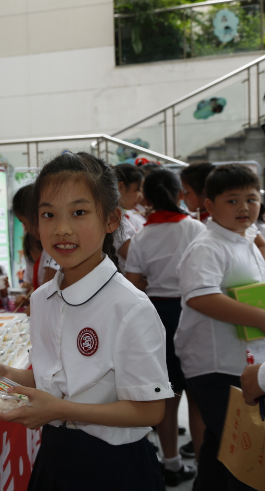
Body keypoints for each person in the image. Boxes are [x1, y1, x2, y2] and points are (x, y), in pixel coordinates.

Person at [0, 152, 171, 490]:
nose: (62, 229)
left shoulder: (129, 306)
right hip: (56, 454)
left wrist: (58, 409)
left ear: (110, 219)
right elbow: (59, 375)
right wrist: (11, 376)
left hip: (115, 464)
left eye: (79, 212)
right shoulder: (42, 299)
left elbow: (149, 411)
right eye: (49, 214)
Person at [175, 164, 265, 491]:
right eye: (233, 200)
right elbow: (203, 298)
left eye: (251, 199)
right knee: (245, 449)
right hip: (215, 366)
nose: (244, 208)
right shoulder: (208, 245)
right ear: (209, 206)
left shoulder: (247, 240)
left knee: (221, 446)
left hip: (241, 362)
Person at [124, 168, 203, 485]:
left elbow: (132, 282)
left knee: (166, 395)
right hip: (192, 313)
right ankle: (203, 466)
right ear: (180, 193)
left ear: (147, 198)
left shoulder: (142, 235)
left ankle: (169, 463)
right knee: (197, 397)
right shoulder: (196, 229)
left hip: (155, 315)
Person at [112, 163, 144, 272]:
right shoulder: (112, 217)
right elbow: (130, 255)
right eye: (138, 190)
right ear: (120, 187)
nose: (141, 196)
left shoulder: (119, 213)